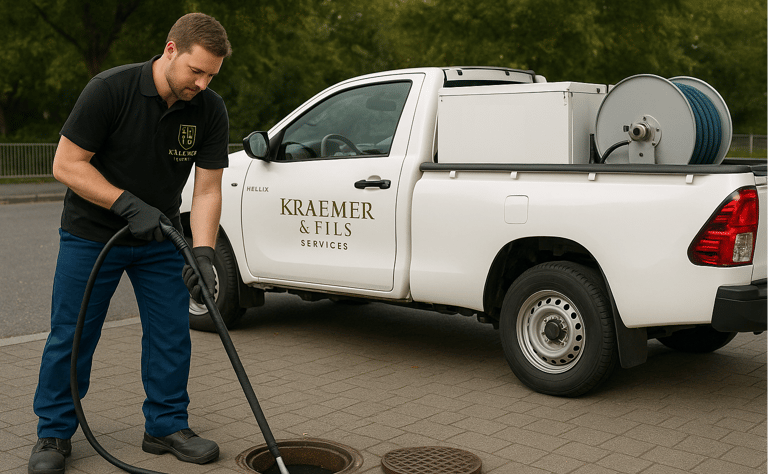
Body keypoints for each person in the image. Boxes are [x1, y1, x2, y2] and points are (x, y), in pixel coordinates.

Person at [29, 13, 232, 474]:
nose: (201, 84)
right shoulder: (110, 89)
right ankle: (54, 432)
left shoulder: (209, 109)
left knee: (171, 334)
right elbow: (66, 163)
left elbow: (207, 190)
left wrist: (202, 252)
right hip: (91, 235)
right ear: (170, 50)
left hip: (161, 237)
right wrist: (125, 204)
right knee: (72, 335)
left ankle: (164, 425)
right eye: (195, 71)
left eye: (211, 76)